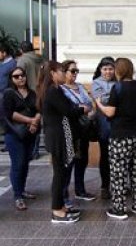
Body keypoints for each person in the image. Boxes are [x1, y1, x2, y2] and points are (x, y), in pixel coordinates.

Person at [96, 58, 136, 220]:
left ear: (118, 71)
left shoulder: (117, 88)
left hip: (120, 136)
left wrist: (99, 104)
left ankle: (119, 209)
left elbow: (110, 112)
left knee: (118, 173)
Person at [37, 60, 86, 224]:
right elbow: (68, 111)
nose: (64, 74)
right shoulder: (53, 91)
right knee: (60, 175)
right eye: (61, 71)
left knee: (62, 173)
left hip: (60, 135)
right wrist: (82, 109)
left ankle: (61, 207)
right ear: (52, 73)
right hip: (58, 137)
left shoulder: (54, 90)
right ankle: (57, 211)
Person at [2, 67, 41, 210]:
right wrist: (30, 120)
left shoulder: (31, 93)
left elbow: (38, 110)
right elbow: (9, 113)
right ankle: (17, 195)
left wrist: (35, 121)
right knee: (17, 164)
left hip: (30, 133)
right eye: (16, 76)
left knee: (25, 163)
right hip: (14, 134)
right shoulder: (9, 93)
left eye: (22, 75)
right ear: (11, 79)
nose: (20, 78)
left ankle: (22, 190)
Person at [61, 60, 96, 204]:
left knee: (82, 160)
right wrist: (82, 109)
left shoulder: (80, 87)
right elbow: (68, 110)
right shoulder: (61, 90)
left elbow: (90, 105)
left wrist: (86, 110)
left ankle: (80, 190)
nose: (75, 74)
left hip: (84, 129)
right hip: (70, 130)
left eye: (77, 71)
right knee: (69, 163)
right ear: (64, 72)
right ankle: (63, 195)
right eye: (72, 71)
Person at [91, 57, 116, 199]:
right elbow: (101, 100)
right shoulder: (96, 83)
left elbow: (107, 99)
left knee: (118, 155)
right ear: (100, 69)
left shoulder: (117, 82)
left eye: (110, 69)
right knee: (105, 155)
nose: (108, 72)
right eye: (105, 69)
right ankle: (105, 186)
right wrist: (114, 97)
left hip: (117, 123)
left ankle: (120, 184)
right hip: (103, 123)